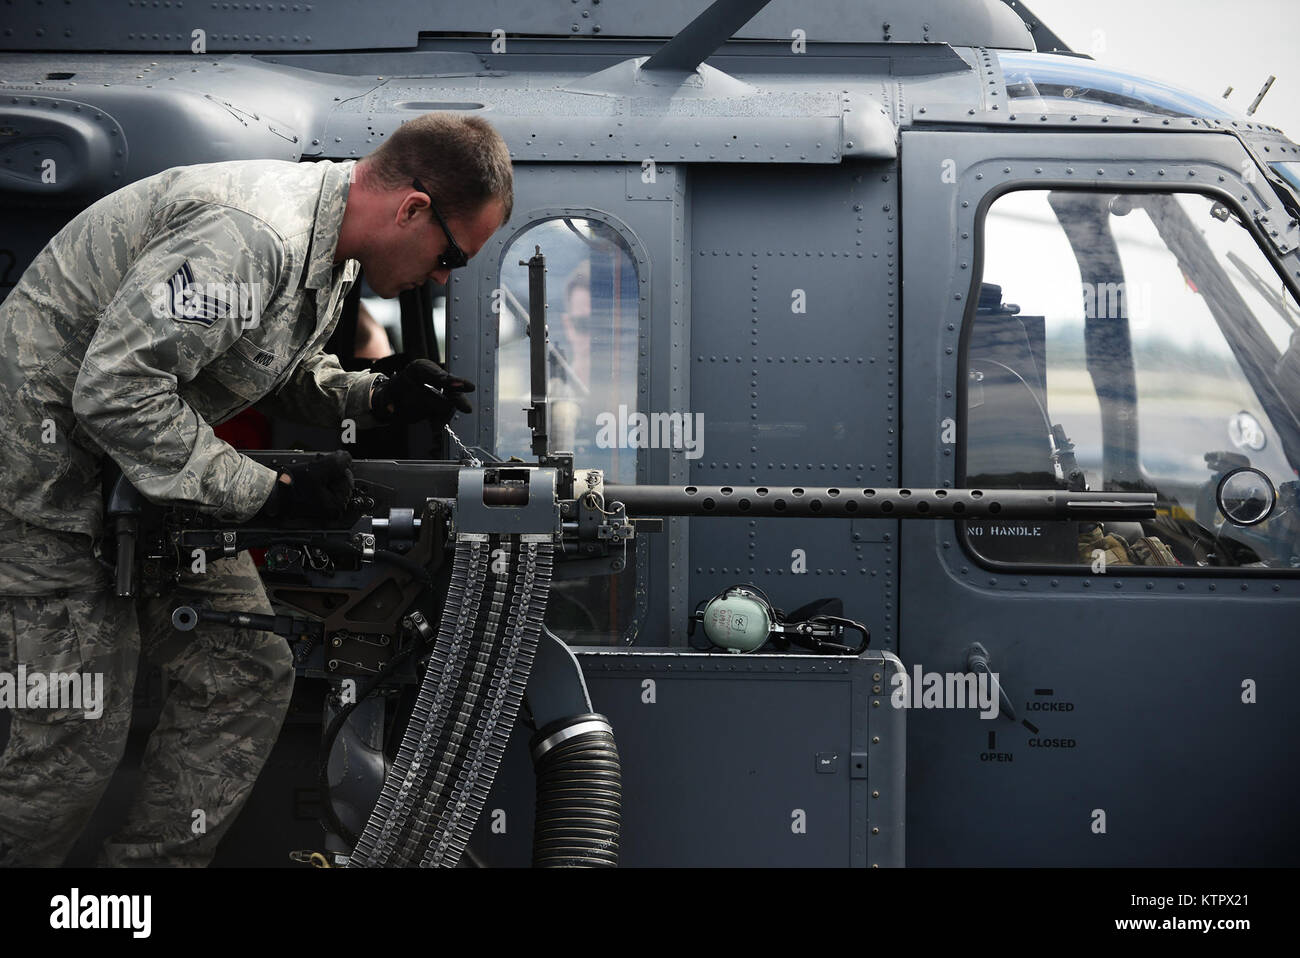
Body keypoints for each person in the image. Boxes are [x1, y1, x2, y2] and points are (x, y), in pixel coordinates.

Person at [0, 112, 513, 866]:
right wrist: (266, 490)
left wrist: (375, 396)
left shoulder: (329, 250)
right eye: (451, 258)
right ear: (412, 208)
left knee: (244, 671)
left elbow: (258, 362)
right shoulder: (252, 237)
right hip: (45, 492)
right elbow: (116, 394)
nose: (441, 276)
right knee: (71, 742)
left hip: (142, 484)